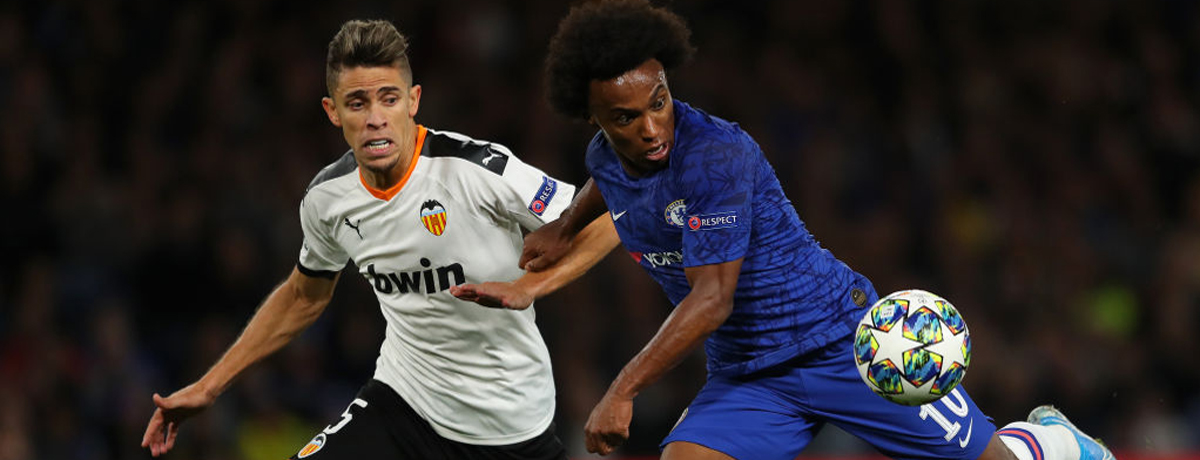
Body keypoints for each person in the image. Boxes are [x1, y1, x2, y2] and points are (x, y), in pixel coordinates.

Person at [453, 1, 1119, 460]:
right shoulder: (604, 155)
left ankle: (1047, 443)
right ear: (594, 117)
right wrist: (567, 225)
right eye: (626, 118)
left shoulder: (715, 154)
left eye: (659, 102)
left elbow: (711, 300)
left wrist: (623, 389)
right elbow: (610, 178)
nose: (652, 128)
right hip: (749, 377)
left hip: (843, 345)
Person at [140, 19, 619, 460]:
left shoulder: (477, 171)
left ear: (413, 101)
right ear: (333, 112)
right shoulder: (328, 200)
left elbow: (610, 220)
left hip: (511, 426)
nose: (375, 118)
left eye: (388, 99)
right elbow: (304, 296)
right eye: (357, 103)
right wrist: (210, 386)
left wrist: (530, 289)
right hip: (402, 403)